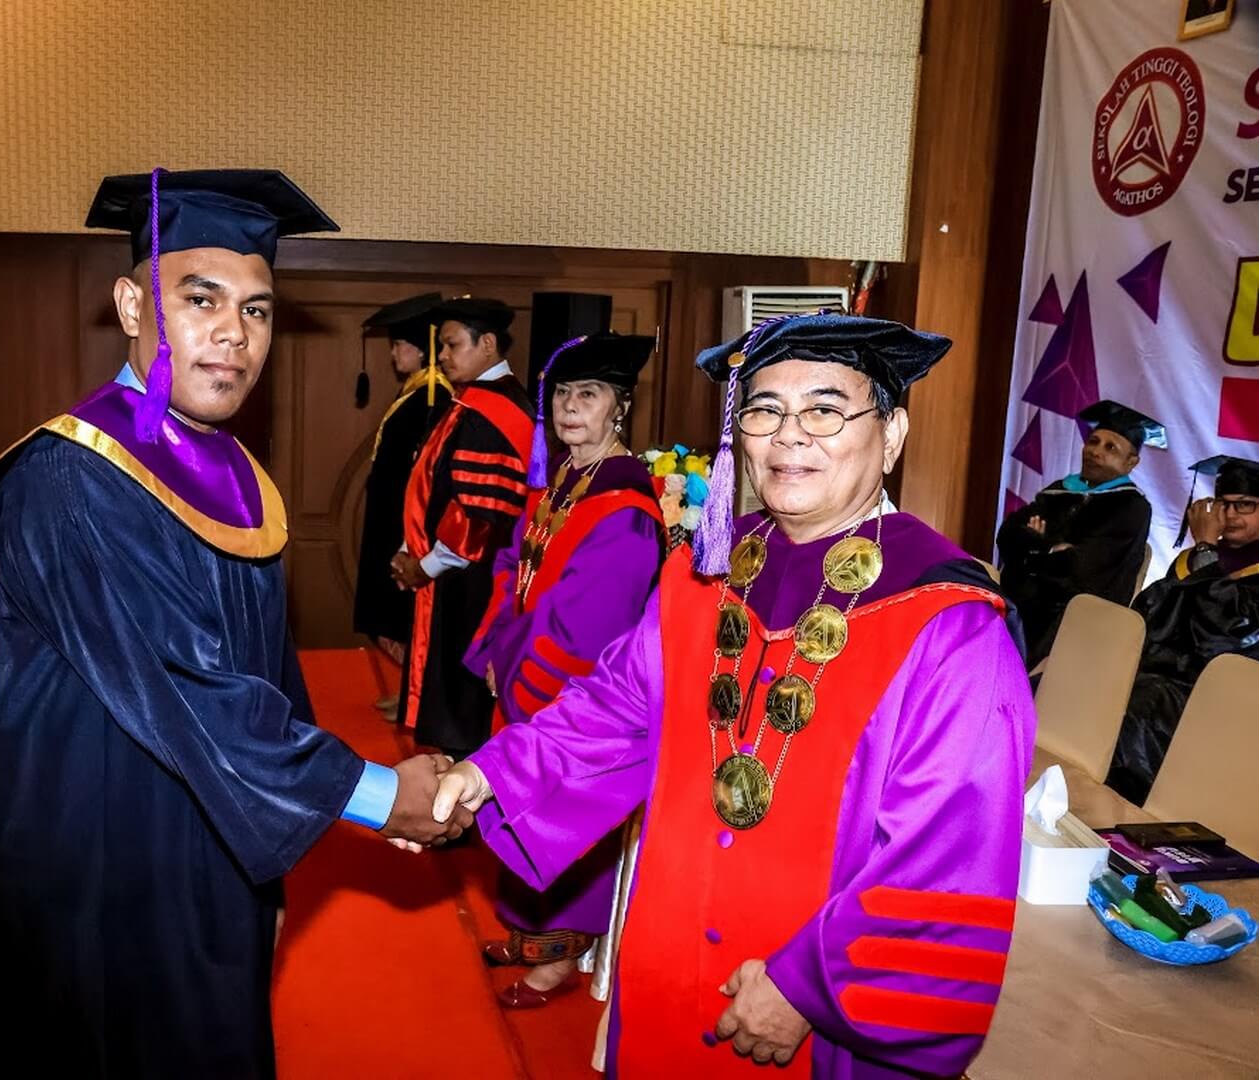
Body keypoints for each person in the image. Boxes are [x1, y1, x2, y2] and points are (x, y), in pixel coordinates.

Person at [0, 168, 471, 1079]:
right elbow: (183, 683)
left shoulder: (228, 468)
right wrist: (373, 792)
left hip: (218, 831)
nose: (234, 332)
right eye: (201, 299)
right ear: (132, 305)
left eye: (257, 309)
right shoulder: (71, 476)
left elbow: (267, 679)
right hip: (106, 855)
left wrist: (301, 822)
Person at [430, 313, 1035, 1077]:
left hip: (808, 1011)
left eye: (824, 410)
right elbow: (615, 710)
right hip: (668, 957)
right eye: (763, 410)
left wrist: (806, 989)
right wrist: (489, 772)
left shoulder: (948, 625)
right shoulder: (703, 575)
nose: (788, 436)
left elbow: (945, 857)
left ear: (890, 435)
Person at [462, 332, 662, 1008]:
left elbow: (590, 626)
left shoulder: (625, 510)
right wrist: (494, 653)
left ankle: (557, 959)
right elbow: (509, 568)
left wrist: (524, 683)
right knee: (520, 807)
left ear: (619, 407)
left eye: (590, 394)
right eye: (563, 395)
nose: (571, 407)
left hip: (568, 697)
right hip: (521, 675)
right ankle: (526, 935)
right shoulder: (564, 485)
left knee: (557, 814)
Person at [391, 297, 536, 759]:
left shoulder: (494, 415)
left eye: (452, 345)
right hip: (455, 572)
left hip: (473, 581)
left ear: (487, 344)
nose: (443, 357)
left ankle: (463, 787)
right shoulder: (473, 402)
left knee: (463, 708)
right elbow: (433, 485)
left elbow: (476, 515)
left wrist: (426, 566)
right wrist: (410, 547)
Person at [1106, 455, 1259, 804]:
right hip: (1167, 680)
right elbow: (1149, 615)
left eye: (1245, 505)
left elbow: (1227, 634)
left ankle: (1124, 810)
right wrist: (1203, 556)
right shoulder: (1196, 561)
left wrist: (1205, 549)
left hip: (1224, 695)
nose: (1230, 514)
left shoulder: (1212, 558)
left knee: (1141, 707)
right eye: (1223, 503)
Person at [998, 399, 1160, 667]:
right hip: (1023, 602)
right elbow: (1007, 535)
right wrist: (1051, 549)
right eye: (1093, 441)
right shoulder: (1059, 491)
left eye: (1110, 447)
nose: (1095, 451)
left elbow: (1083, 568)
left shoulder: (1131, 507)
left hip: (1074, 618)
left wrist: (1035, 546)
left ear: (1131, 462)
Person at [353, 293, 452, 714]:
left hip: (409, 524)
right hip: (392, 516)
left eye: (399, 345)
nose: (394, 354)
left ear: (422, 347)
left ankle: (418, 697)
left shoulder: (434, 396)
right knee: (394, 611)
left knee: (407, 609)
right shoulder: (414, 392)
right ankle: (410, 691)